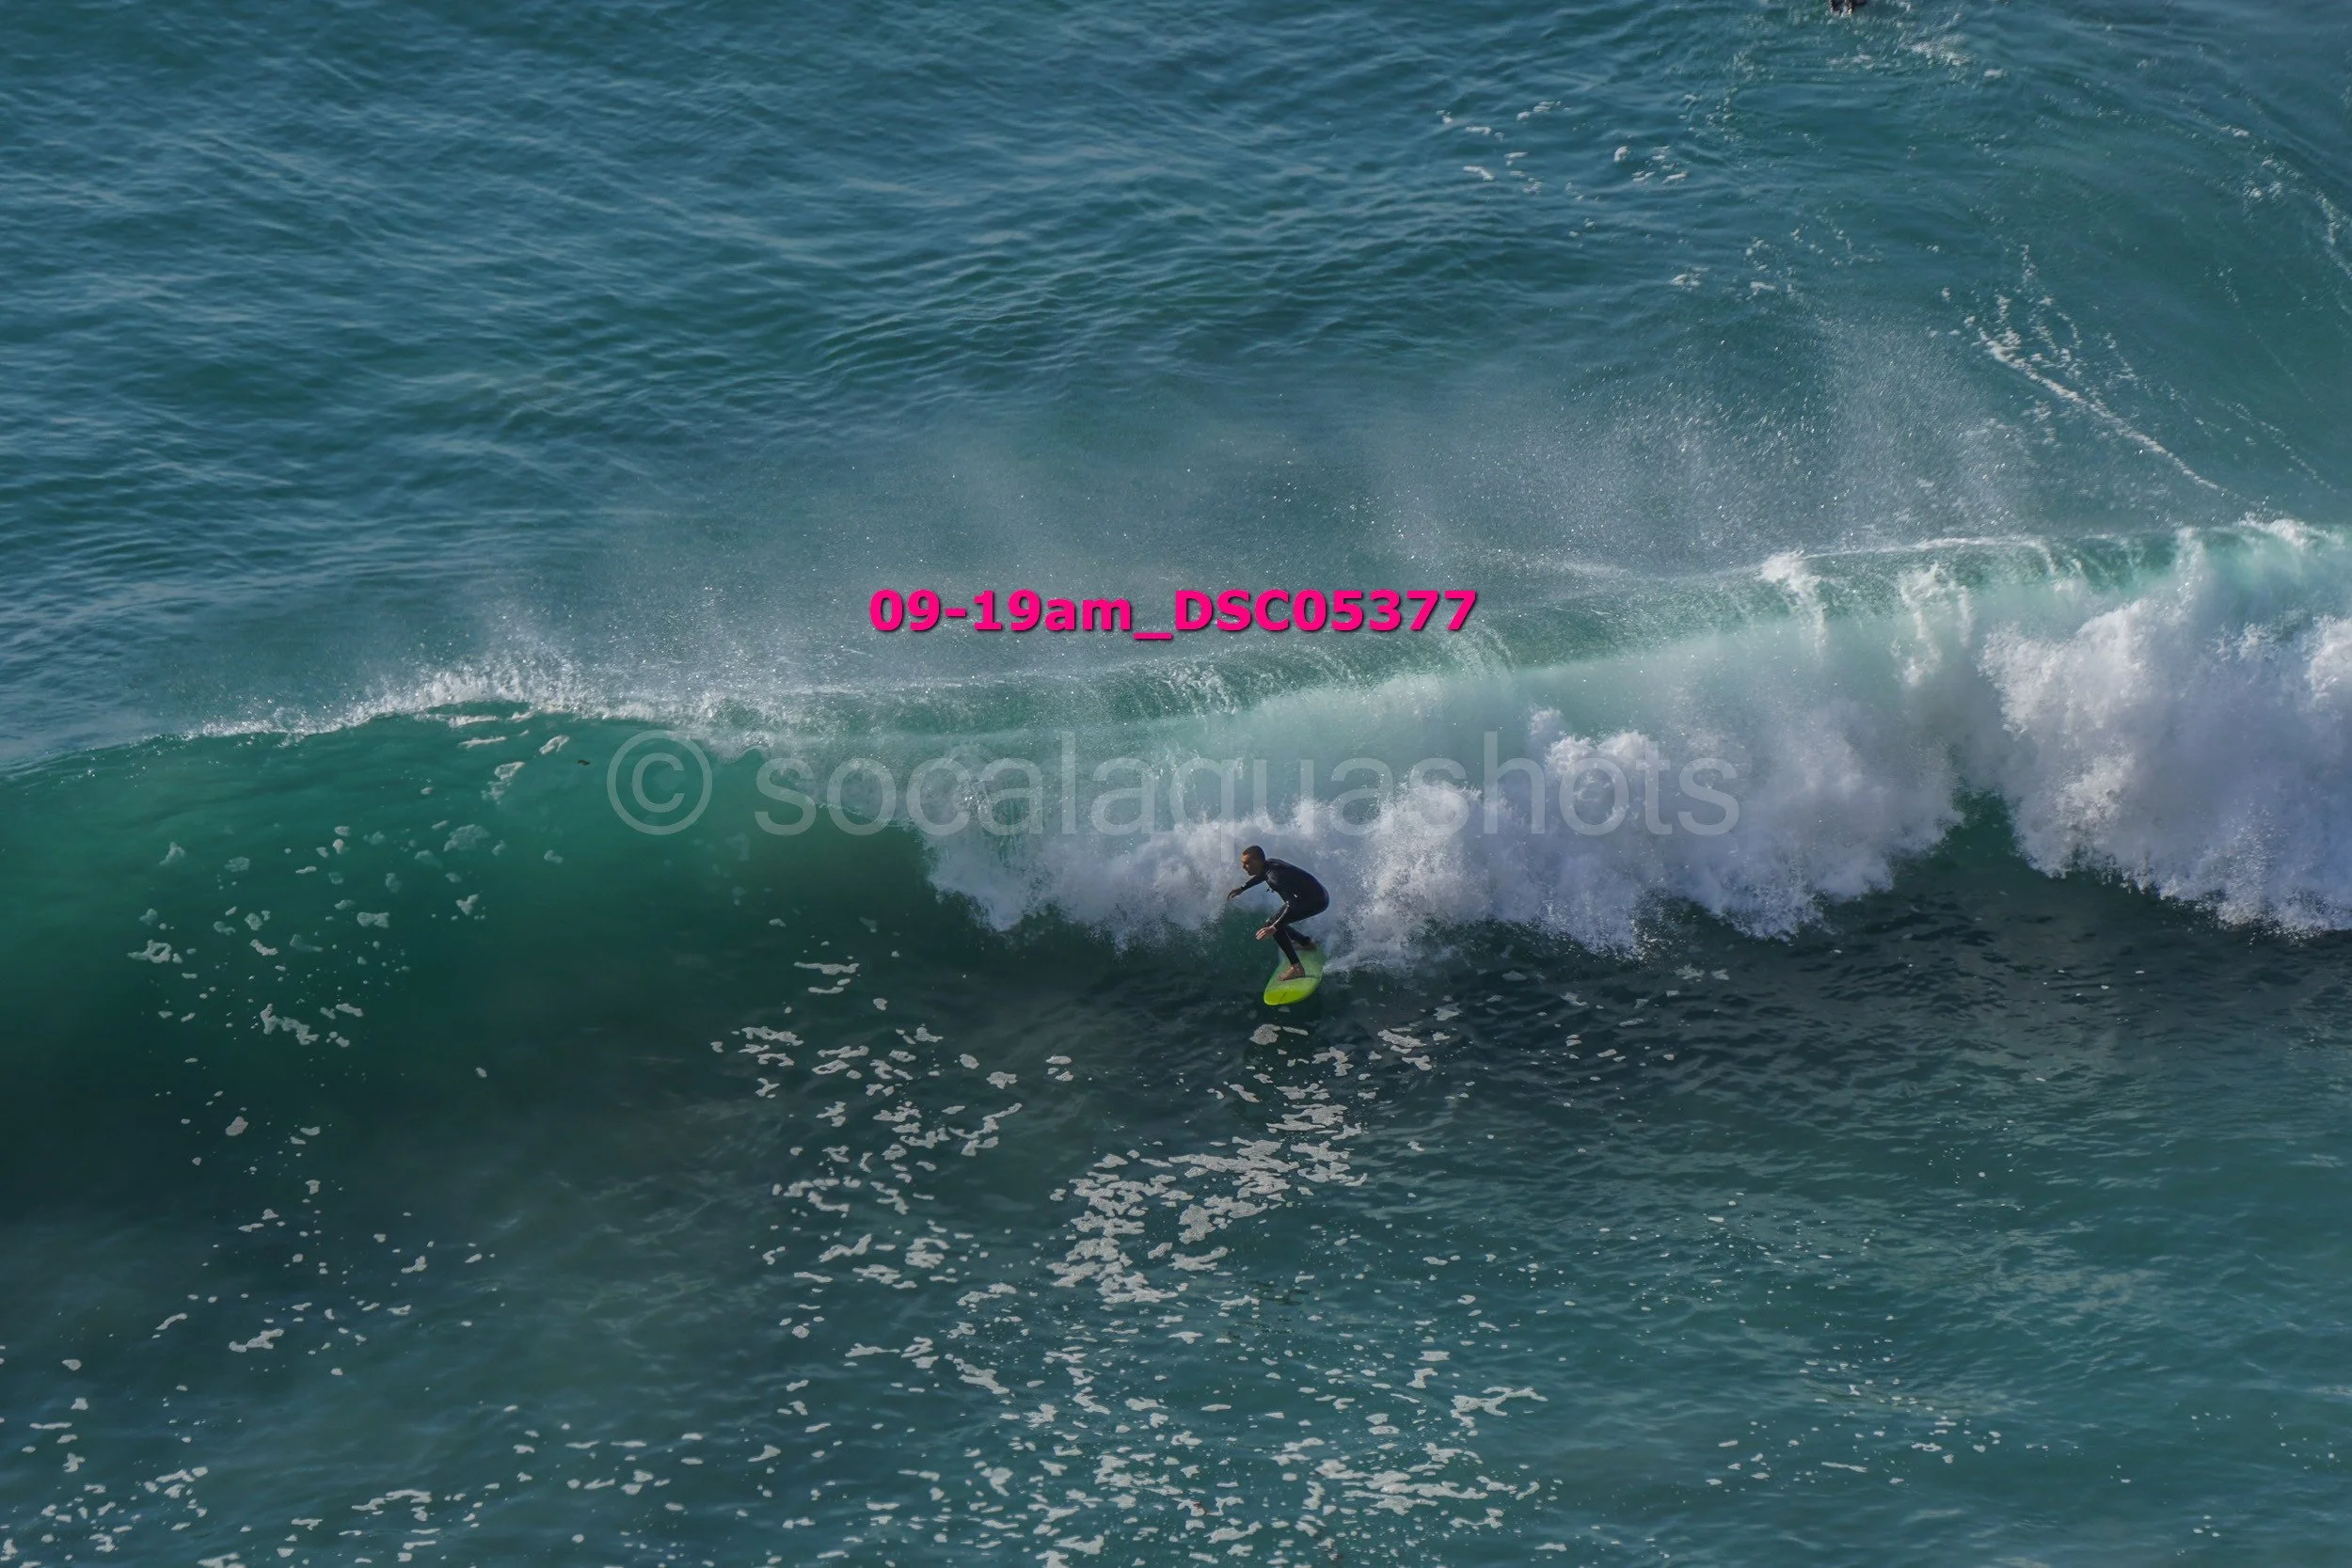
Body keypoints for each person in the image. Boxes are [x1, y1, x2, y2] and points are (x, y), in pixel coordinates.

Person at [1226, 846, 1329, 982]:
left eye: (1247, 863)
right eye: (1242, 863)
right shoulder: (1269, 864)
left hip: (1316, 901)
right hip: (1318, 894)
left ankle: (1297, 968)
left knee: (1274, 924)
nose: (1243, 867)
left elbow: (1291, 904)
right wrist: (1243, 888)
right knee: (1275, 921)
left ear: (1258, 861)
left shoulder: (1275, 877)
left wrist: (1274, 927)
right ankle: (1306, 943)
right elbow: (1261, 875)